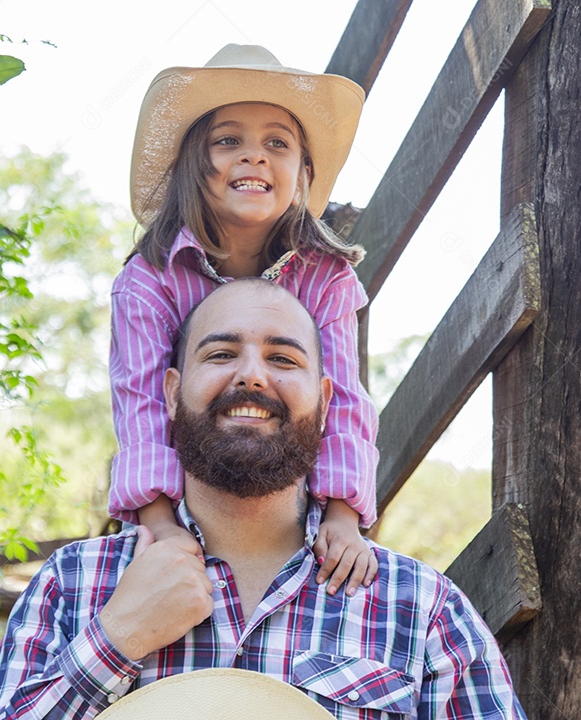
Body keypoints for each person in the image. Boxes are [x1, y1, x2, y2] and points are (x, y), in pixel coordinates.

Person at [0, 280, 527, 719]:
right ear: (170, 391)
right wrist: (115, 639)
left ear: (326, 401)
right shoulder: (75, 584)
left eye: (283, 359)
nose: (252, 376)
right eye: (220, 354)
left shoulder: (422, 609)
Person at [111, 43, 379, 598]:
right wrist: (159, 523)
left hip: (287, 494)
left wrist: (343, 516)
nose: (254, 157)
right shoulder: (151, 278)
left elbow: (345, 400)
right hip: (186, 491)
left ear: (302, 172)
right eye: (228, 140)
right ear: (193, 164)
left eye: (276, 143)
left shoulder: (325, 276)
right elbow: (138, 399)